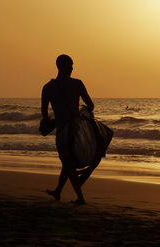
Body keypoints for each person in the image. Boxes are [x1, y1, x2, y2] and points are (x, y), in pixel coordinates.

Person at [41, 54, 96, 205]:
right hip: (76, 131)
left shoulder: (47, 88)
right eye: (71, 65)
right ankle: (65, 193)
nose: (72, 68)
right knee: (68, 163)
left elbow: (44, 114)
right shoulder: (77, 84)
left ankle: (76, 197)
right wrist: (80, 111)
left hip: (61, 133)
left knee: (67, 162)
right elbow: (90, 106)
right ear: (64, 67)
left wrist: (52, 119)